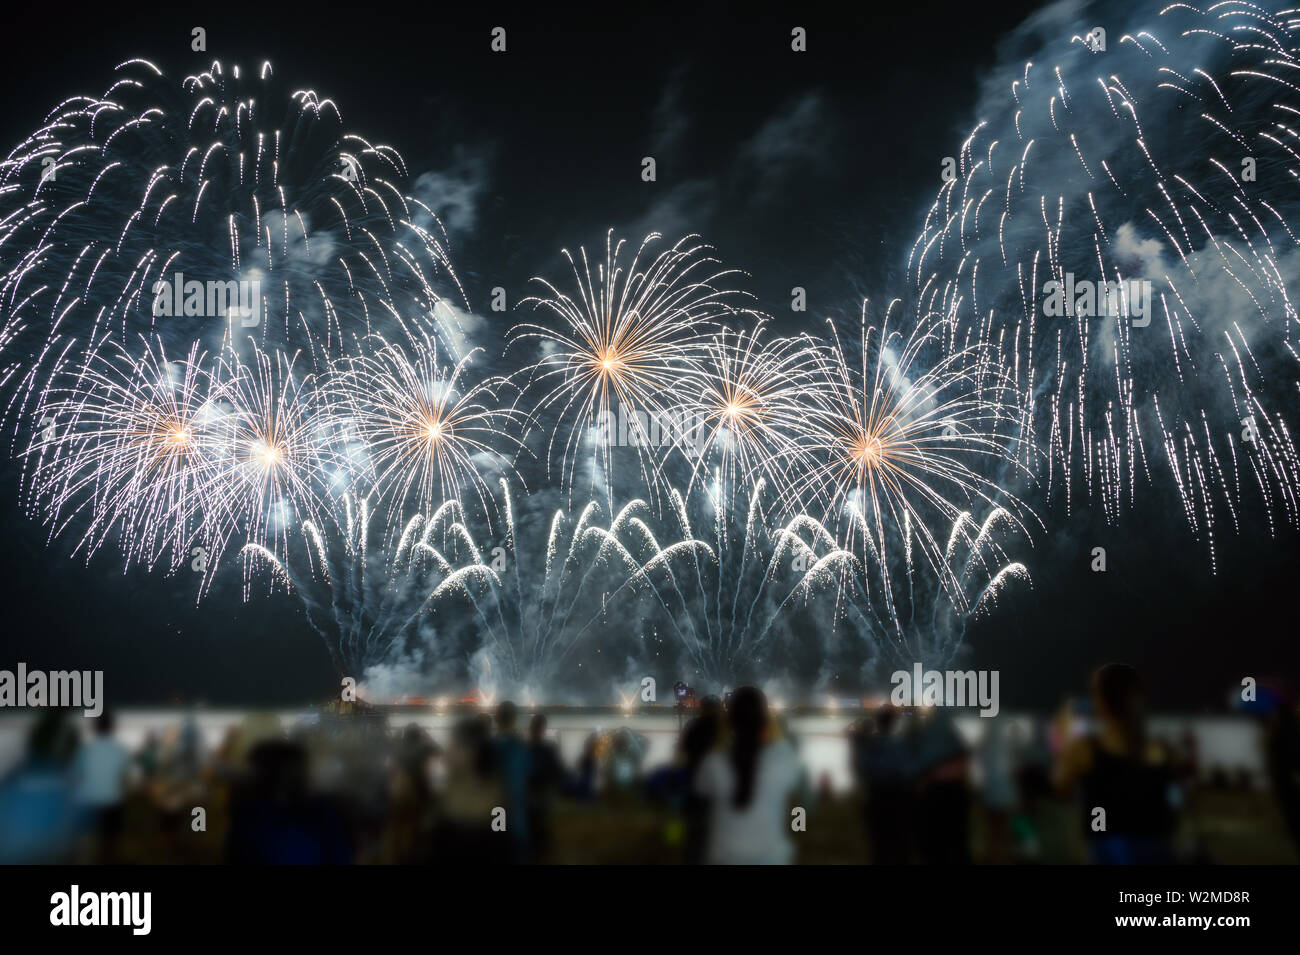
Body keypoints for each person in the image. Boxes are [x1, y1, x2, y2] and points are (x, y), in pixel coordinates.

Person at [1054, 663, 1178, 865]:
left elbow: (1061, 787)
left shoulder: (1087, 750)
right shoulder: (1163, 751)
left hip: (1108, 852)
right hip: (1159, 851)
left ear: (1101, 703)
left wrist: (1065, 736)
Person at [695, 686, 802, 864]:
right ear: (765, 720)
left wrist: (721, 735)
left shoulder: (714, 762)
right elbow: (798, 795)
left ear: (730, 720)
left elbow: (701, 790)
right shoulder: (784, 758)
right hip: (771, 857)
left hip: (725, 856)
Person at [854, 704, 914, 864]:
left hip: (876, 798)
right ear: (893, 722)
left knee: (879, 846)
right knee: (900, 845)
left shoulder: (869, 746)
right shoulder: (900, 746)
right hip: (898, 799)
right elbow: (908, 771)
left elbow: (861, 769)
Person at [73, 709, 133, 863]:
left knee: (86, 845)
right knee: (109, 844)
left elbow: (76, 776)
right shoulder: (120, 750)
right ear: (113, 728)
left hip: (87, 802)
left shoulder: (85, 750)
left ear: (94, 728)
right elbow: (126, 778)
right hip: (112, 802)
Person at [678, 696, 722, 864]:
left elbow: (682, 755)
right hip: (717, 790)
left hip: (694, 785)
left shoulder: (693, 727)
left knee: (694, 834)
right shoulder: (724, 729)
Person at [526, 714, 565, 862]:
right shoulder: (549, 750)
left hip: (528, 797)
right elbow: (558, 772)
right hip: (542, 797)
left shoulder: (524, 748)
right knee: (542, 831)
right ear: (543, 729)